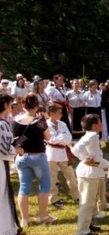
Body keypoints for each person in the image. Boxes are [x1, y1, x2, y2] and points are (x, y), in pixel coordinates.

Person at [12, 94, 57, 225]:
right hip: (38, 156)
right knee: (44, 186)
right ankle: (43, 216)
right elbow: (48, 138)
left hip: (21, 156)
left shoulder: (16, 119)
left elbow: (15, 139)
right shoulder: (39, 122)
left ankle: (24, 218)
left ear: (23, 105)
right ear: (37, 106)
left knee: (24, 187)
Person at [71, 114, 108, 235]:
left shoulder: (92, 135)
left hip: (91, 172)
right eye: (99, 122)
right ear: (94, 125)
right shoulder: (92, 136)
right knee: (86, 203)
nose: (102, 124)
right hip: (89, 173)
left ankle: (88, 224)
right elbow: (76, 149)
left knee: (90, 202)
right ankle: (82, 231)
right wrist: (86, 158)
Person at [45, 103, 79, 208]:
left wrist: (59, 138)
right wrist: (62, 137)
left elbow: (68, 138)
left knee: (71, 176)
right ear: (51, 114)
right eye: (59, 113)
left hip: (63, 153)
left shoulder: (62, 124)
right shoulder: (45, 125)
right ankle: (53, 198)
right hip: (51, 153)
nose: (61, 115)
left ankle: (76, 194)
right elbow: (51, 139)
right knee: (52, 178)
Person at [0, 93, 24, 235]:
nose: (11, 107)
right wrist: (17, 150)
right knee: (2, 195)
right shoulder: (2, 124)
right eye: (10, 104)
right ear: (5, 105)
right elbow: (3, 149)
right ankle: (4, 229)